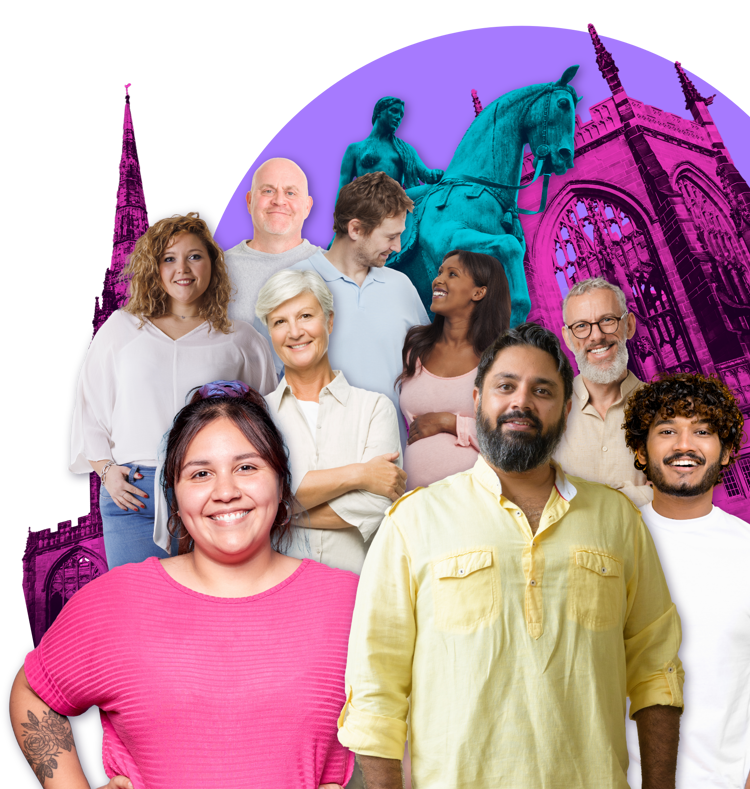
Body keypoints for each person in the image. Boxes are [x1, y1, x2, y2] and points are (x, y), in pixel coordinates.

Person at [338, 323, 684, 789]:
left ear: (565, 412)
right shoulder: (413, 523)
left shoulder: (617, 520)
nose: (521, 401)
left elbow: (655, 667)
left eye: (541, 390)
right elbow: (376, 689)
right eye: (506, 386)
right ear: (477, 400)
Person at [11, 384, 356, 789]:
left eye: (247, 467)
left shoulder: (351, 603)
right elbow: (34, 692)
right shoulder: (117, 600)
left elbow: (416, 714)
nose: (225, 492)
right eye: (201, 474)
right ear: (173, 495)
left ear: (281, 483)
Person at [69, 212, 276, 568]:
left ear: (213, 263)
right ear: (155, 268)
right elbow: (90, 408)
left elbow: (270, 417)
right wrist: (106, 472)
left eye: (194, 256)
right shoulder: (121, 330)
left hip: (216, 490)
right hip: (135, 492)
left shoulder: (242, 339)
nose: (182, 268)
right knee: (141, 612)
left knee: (212, 611)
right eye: (169, 258)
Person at [622, 372, 749, 789]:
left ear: (727, 451)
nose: (684, 445)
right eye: (666, 430)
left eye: (702, 431)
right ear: (640, 452)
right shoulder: (609, 547)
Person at [256, 270, 405, 575]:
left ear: (330, 321)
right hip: (275, 590)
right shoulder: (257, 416)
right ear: (270, 333)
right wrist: (360, 474)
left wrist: (279, 513)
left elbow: (376, 505)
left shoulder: (376, 409)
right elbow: (257, 495)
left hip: (355, 590)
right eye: (280, 322)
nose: (295, 332)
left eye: (306, 315)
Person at [272, 171, 431, 451]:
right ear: (355, 229)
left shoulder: (401, 286)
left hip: (391, 461)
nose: (397, 247)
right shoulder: (292, 283)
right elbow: (271, 377)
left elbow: (425, 369)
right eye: (391, 236)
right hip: (314, 463)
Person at [397, 249, 511, 489]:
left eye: (452, 274)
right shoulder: (415, 348)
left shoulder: (499, 359)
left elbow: (511, 438)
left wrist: (449, 422)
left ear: (478, 292)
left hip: (475, 504)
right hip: (414, 505)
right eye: (440, 272)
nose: (438, 280)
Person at [553, 276, 654, 505]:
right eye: (581, 327)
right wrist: (640, 494)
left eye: (607, 320)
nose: (596, 336)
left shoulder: (664, 409)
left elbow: (677, 496)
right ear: (568, 338)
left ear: (629, 325)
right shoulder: (550, 412)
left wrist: (584, 500)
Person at [224, 157, 321, 324]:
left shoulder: (332, 268)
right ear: (249, 201)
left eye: (290, 193)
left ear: (307, 207)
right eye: (268, 191)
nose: (279, 201)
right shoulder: (217, 268)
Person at [337, 97, 443, 193]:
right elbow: (343, 188)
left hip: (396, 200)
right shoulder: (354, 149)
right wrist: (339, 213)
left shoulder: (405, 149)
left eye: (401, 115)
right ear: (379, 112)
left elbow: (426, 175)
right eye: (394, 111)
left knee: (436, 189)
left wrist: (436, 174)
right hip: (367, 201)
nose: (398, 118)